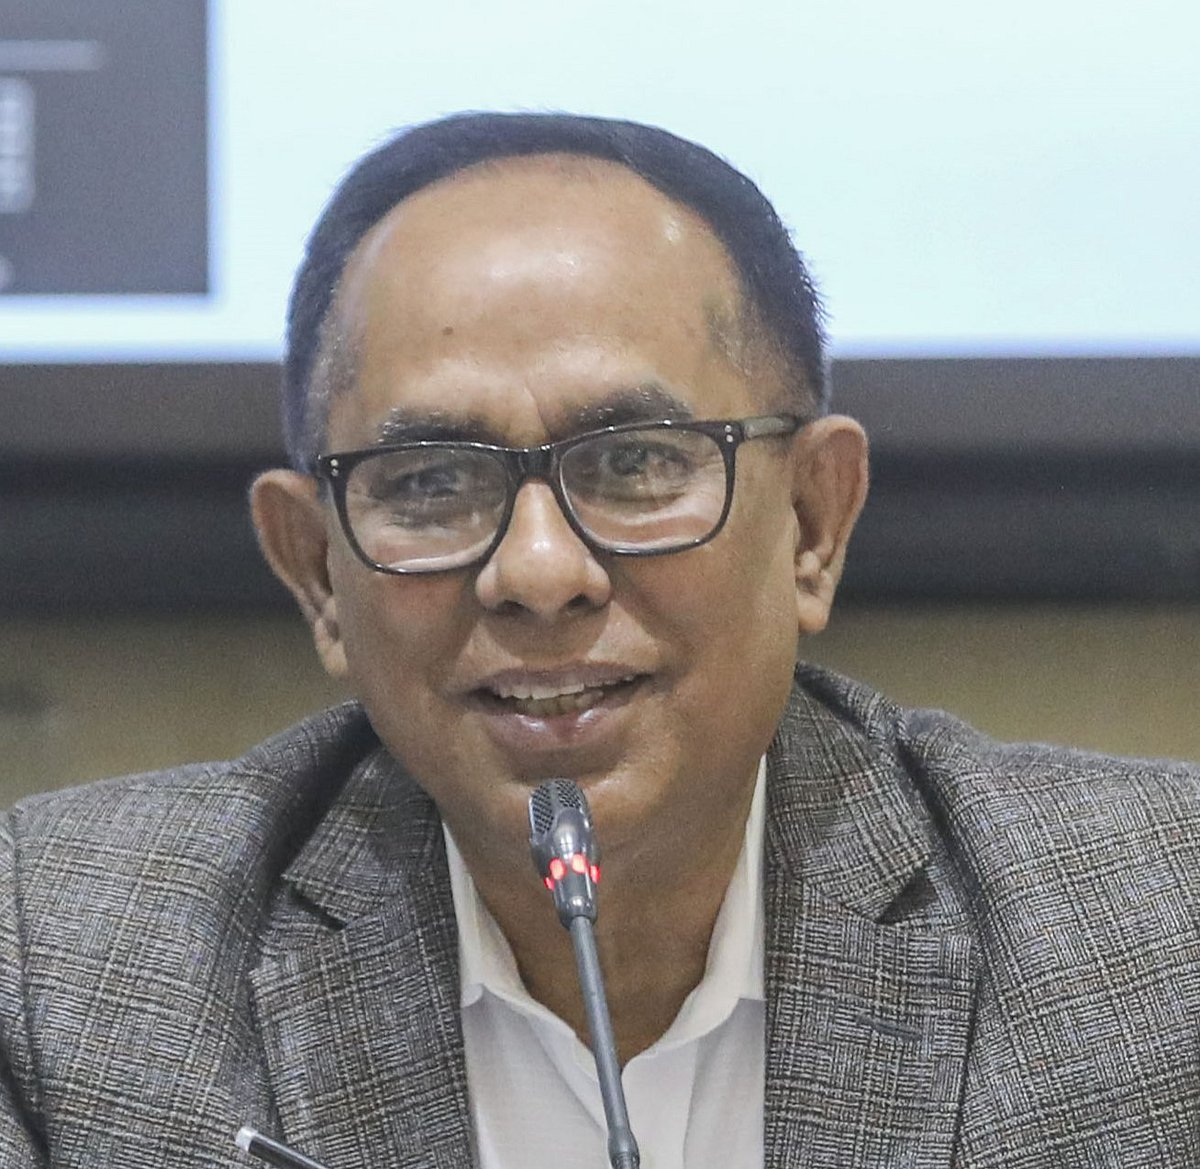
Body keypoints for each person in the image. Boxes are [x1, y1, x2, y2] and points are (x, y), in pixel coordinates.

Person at [2, 112, 1198, 1169]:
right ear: (318, 569)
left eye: (633, 463)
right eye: (430, 481)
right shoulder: (57, 968)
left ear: (813, 522)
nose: (538, 572)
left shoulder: (1160, 936)